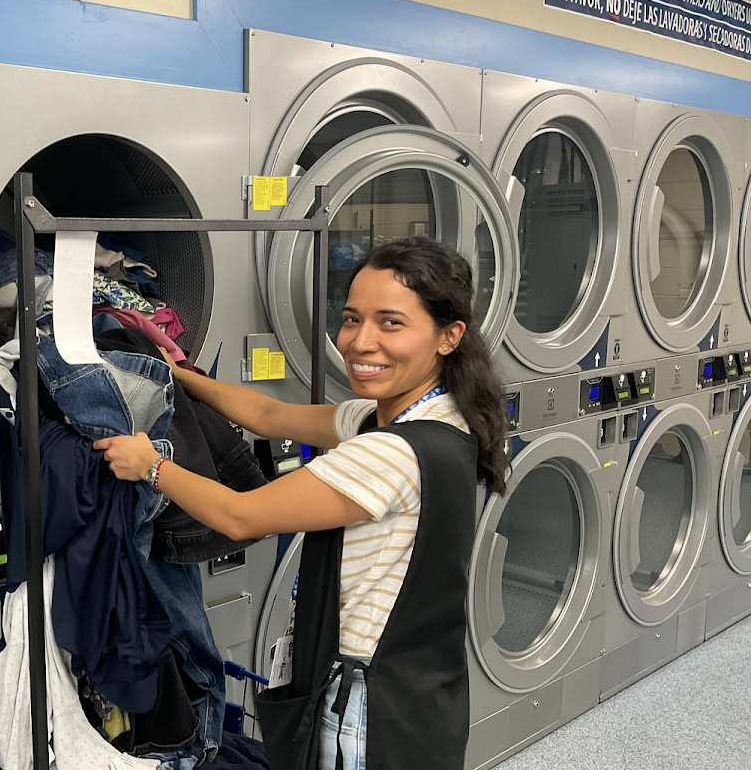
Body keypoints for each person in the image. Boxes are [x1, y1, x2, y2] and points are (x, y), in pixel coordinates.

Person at [93, 238, 509, 770]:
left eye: (391, 323)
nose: (361, 342)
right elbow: (269, 415)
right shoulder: (428, 417)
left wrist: (150, 465)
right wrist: (175, 375)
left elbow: (239, 516)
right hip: (421, 685)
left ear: (449, 336)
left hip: (366, 703)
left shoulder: (388, 453)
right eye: (353, 318)